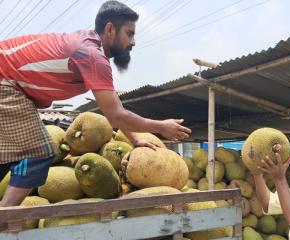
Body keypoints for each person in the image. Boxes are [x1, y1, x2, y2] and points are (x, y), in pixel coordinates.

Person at [0, 0, 191, 224]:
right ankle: (5, 216)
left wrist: (135, 138)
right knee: (39, 153)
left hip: (9, 83)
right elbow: (116, 115)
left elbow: (113, 107)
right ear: (110, 29)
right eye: (129, 34)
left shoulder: (88, 45)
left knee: (8, 155)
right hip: (5, 83)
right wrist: (161, 126)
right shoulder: (91, 55)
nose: (133, 42)